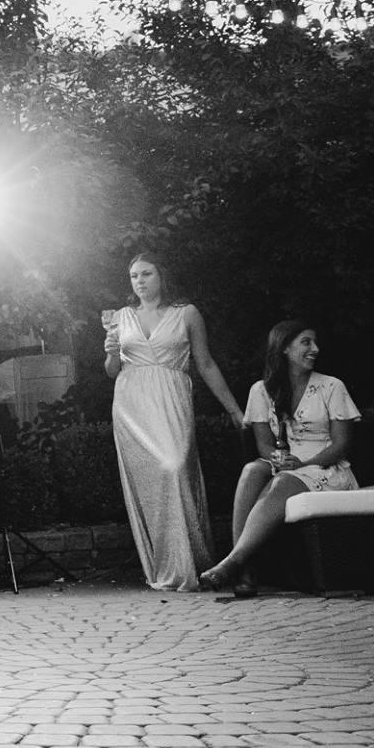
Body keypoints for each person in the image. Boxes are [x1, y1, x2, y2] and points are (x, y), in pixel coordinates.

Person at [103, 253, 246, 592]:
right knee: (154, 483)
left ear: (162, 275)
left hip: (171, 397)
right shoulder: (121, 317)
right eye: (134, 276)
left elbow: (206, 363)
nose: (139, 281)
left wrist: (234, 410)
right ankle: (167, 567)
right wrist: (110, 352)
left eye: (146, 274)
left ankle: (193, 562)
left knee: (175, 466)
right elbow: (112, 370)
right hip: (131, 404)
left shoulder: (187, 313)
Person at [200, 320, 360, 595]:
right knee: (252, 470)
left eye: (315, 342)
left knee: (284, 481)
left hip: (326, 468)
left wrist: (302, 465)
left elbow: (342, 445)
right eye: (306, 342)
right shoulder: (261, 391)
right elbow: (263, 445)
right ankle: (246, 574)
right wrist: (279, 458)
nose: (315, 349)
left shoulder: (331, 386)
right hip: (287, 467)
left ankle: (233, 563)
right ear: (284, 348)